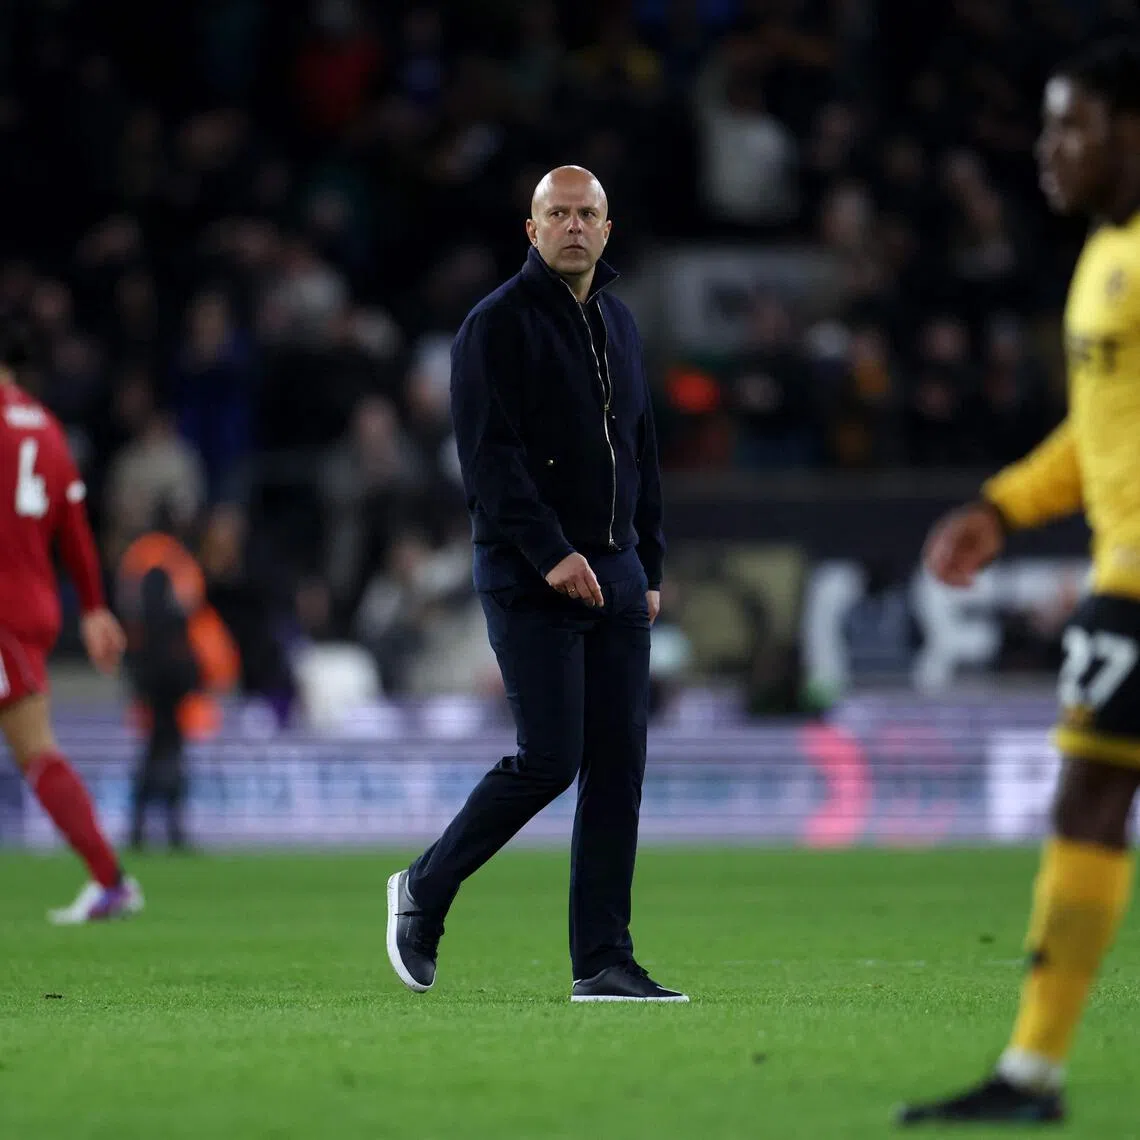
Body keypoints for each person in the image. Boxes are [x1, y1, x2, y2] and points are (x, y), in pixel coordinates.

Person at [899, 40, 1140, 1126]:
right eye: (1049, 126)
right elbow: (1099, 439)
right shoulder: (1104, 255)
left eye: (1072, 126)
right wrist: (1002, 507)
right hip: (1125, 580)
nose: (1049, 150)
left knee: (1089, 802)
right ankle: (1030, 1075)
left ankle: (1031, 1074)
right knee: (1088, 802)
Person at [386, 165, 686, 1002]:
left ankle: (602, 961)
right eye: (558, 213)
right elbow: (487, 461)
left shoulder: (619, 325)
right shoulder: (494, 327)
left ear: (608, 228)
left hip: (620, 575)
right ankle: (423, 888)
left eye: (588, 213)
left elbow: (642, 454)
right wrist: (552, 551)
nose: (575, 226)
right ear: (532, 229)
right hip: (530, 574)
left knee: (618, 764)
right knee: (551, 757)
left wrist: (649, 565)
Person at [0, 331, 143, 922]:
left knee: (36, 749)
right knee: (35, 748)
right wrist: (93, 606)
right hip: (32, 606)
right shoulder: (48, 428)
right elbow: (76, 528)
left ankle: (111, 880)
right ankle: (110, 879)